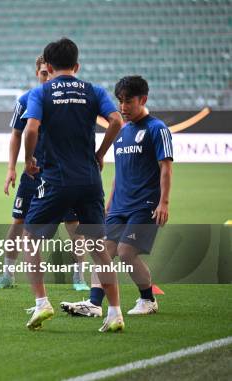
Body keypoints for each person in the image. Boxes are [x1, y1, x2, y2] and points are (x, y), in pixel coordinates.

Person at [20, 38, 124, 332]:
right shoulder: (93, 91)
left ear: (48, 67)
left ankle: (42, 303)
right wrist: (101, 154)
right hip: (90, 179)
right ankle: (115, 312)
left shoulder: (42, 92)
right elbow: (116, 120)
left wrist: (28, 159)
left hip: (56, 178)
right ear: (77, 66)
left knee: (30, 239)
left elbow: (31, 128)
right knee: (98, 247)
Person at [61, 76, 173, 317]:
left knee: (125, 252)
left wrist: (163, 202)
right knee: (101, 250)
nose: (123, 107)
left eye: (128, 101)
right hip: (119, 206)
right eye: (120, 101)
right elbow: (119, 173)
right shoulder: (122, 132)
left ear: (143, 99)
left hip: (145, 206)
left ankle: (148, 299)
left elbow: (165, 166)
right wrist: (109, 205)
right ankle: (93, 304)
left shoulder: (157, 128)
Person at [0, 55, 89, 291]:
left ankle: (79, 278)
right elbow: (16, 134)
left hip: (64, 175)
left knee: (74, 224)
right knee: (18, 222)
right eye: (42, 73)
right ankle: (7, 274)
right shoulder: (26, 100)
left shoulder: (69, 101)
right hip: (33, 174)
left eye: (49, 73)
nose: (46, 77)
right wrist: (11, 168)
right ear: (37, 74)